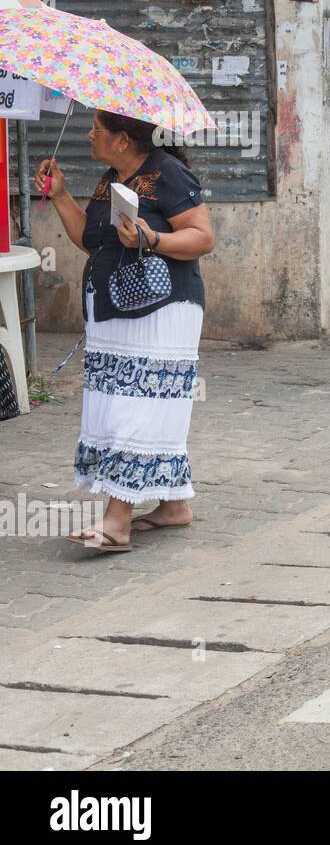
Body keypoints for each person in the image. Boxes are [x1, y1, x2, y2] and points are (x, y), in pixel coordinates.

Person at [36, 112, 214, 553]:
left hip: (161, 310)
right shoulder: (109, 180)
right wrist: (60, 195)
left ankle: (117, 523)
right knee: (120, 405)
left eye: (97, 127)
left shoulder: (167, 174)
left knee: (135, 410)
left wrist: (152, 238)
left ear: (121, 139)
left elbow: (202, 237)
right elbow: (91, 239)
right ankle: (173, 507)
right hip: (113, 308)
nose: (89, 133)